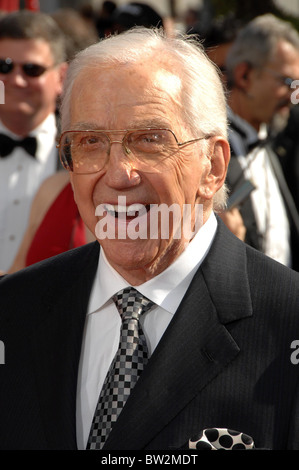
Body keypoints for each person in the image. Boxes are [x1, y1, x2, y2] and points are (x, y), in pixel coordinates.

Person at [0, 27, 299, 451]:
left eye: (150, 140)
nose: (119, 174)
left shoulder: (287, 322)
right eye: (89, 142)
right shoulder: (14, 310)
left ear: (213, 166)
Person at [225, 14, 299, 270]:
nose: (294, 96)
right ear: (245, 75)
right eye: (288, 82)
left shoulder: (275, 140)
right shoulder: (206, 151)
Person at [0, 10, 67, 272]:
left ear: (61, 77)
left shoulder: (86, 155)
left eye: (32, 69)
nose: (16, 80)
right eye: (4, 66)